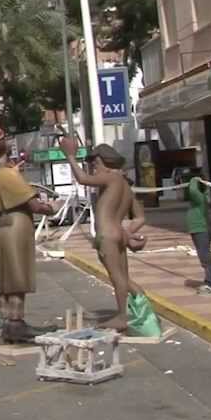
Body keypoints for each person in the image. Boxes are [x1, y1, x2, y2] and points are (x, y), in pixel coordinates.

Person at [0, 127, 56, 343]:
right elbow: (34, 205)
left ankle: (7, 324)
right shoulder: (9, 176)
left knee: (4, 277)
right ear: (5, 146)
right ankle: (17, 323)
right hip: (18, 225)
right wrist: (51, 208)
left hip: (0, 226)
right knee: (18, 277)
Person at [61, 137, 147, 332]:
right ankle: (141, 306)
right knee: (123, 278)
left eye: (94, 164)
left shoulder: (110, 177)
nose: (94, 169)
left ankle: (123, 316)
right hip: (118, 233)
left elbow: (83, 179)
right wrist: (128, 233)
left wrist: (71, 156)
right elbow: (140, 218)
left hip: (107, 236)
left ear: (100, 161)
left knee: (118, 278)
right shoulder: (124, 184)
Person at [185, 171, 211, 295]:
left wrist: (194, 179)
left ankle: (210, 283)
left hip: (201, 230)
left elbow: (192, 190)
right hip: (198, 230)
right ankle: (209, 281)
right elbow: (190, 191)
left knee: (205, 257)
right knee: (203, 257)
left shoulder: (200, 198)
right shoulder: (199, 198)